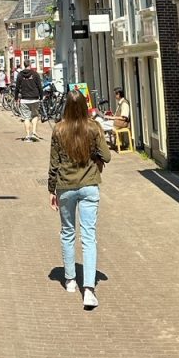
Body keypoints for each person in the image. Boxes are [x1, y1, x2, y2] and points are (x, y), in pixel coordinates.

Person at [47, 88, 111, 310]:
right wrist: (93, 155)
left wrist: (51, 190)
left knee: (67, 233)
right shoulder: (93, 127)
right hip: (89, 185)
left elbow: (53, 163)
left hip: (65, 186)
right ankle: (89, 290)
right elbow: (108, 156)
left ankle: (71, 280)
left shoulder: (58, 130)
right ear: (85, 106)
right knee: (88, 236)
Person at [15, 58, 42, 142]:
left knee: (26, 118)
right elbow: (40, 86)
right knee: (35, 115)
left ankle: (27, 135)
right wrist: (41, 96)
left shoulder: (20, 75)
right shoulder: (35, 74)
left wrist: (16, 98)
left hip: (24, 99)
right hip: (34, 98)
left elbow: (17, 87)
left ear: (24, 65)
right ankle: (34, 132)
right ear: (30, 65)